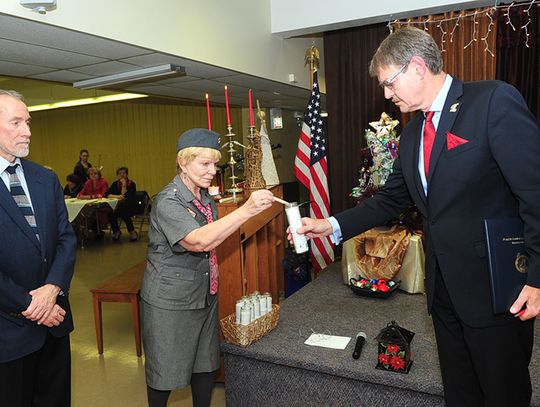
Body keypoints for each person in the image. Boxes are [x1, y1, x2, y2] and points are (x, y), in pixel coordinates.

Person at [296, 27, 540, 407]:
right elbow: (390, 199)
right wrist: (331, 225)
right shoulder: (412, 136)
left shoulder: (491, 101)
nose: (386, 94)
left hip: (495, 289)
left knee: (503, 391)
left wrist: (537, 278)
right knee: (461, 392)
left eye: (389, 83)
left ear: (417, 67)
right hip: (443, 291)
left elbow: (534, 193)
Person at [141, 128, 275, 407]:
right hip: (170, 301)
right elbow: (199, 241)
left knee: (205, 363)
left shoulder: (204, 198)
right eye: (205, 163)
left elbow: (216, 235)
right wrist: (248, 210)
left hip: (204, 293)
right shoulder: (168, 201)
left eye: (215, 163)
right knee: (164, 372)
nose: (213, 170)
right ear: (183, 163)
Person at [0, 89, 76, 406]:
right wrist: (31, 305)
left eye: (28, 121)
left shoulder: (45, 177)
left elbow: (66, 238)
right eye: (16, 122)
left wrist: (52, 288)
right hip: (8, 333)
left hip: (54, 324)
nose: (28, 131)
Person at [107, 166, 139, 242]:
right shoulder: (115, 184)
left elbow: (125, 197)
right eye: (119, 173)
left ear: (127, 174)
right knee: (110, 213)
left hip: (130, 206)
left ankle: (132, 231)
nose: (121, 175)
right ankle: (116, 231)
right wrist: (118, 196)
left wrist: (124, 185)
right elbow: (108, 194)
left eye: (123, 173)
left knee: (123, 210)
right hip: (118, 207)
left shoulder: (132, 184)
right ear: (117, 175)